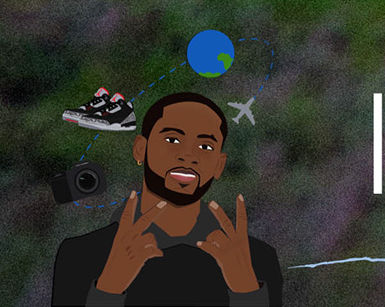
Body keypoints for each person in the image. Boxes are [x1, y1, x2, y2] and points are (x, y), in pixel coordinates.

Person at [41, 94, 275, 305]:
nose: (189, 155)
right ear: (140, 150)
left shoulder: (255, 260)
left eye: (205, 146)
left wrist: (247, 294)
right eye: (172, 140)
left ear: (219, 165)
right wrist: (108, 289)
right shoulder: (80, 255)